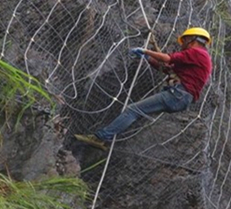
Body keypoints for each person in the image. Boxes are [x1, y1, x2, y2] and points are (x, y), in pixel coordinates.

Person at [74, 27, 213, 150]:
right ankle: (104, 137)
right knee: (137, 111)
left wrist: (146, 50)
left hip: (178, 94)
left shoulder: (198, 53)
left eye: (185, 40)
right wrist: (147, 58)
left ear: (192, 39)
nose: (182, 44)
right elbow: (167, 69)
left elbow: (167, 59)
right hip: (180, 97)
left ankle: (100, 138)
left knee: (133, 109)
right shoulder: (197, 58)